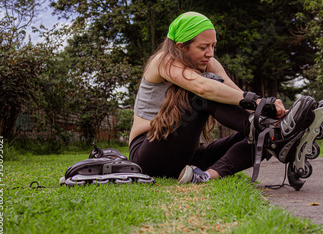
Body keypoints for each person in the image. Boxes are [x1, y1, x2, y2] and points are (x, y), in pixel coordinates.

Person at [128, 11, 313, 184]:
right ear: (181, 47)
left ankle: (208, 176)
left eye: (213, 46)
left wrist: (277, 116)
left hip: (185, 154)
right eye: (203, 47)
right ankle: (275, 133)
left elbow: (234, 95)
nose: (210, 53)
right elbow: (203, 87)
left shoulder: (209, 63)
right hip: (148, 154)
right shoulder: (163, 61)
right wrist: (259, 102)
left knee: (259, 135)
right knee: (208, 85)